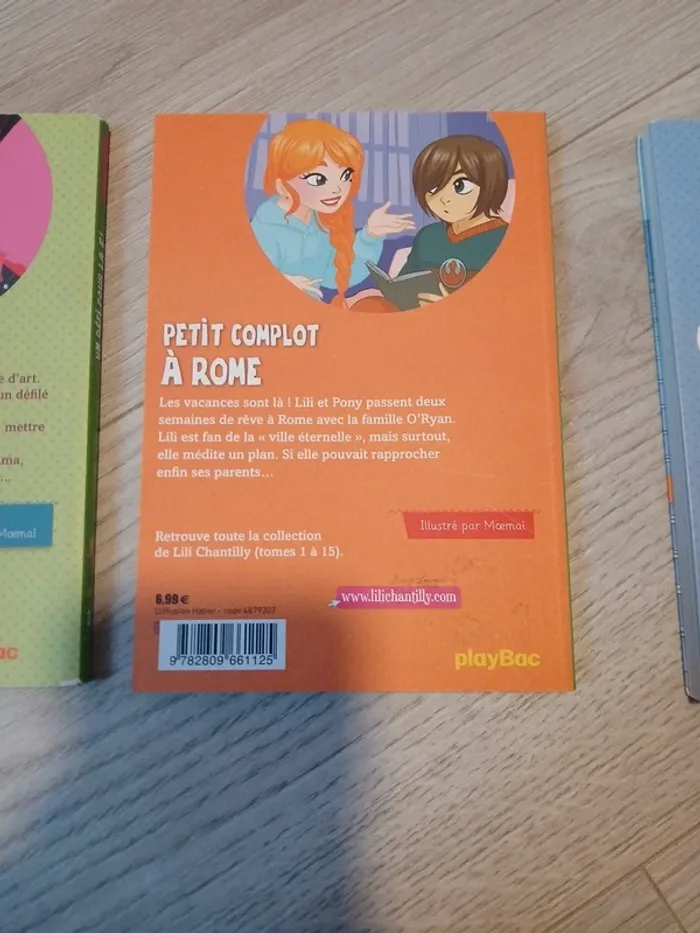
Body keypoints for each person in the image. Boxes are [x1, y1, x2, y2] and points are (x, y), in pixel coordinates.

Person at [250, 118, 414, 308]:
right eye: (318, 179)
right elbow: (247, 286)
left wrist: (370, 235)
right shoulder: (264, 229)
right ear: (282, 186)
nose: (337, 189)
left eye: (345, 176)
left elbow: (333, 278)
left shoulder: (320, 223)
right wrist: (278, 284)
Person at [401, 134, 510, 305]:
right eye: (434, 188)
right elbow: (402, 284)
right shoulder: (428, 236)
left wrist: (455, 308)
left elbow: (509, 301)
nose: (443, 199)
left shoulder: (505, 238)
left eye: (460, 186)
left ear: (491, 183)